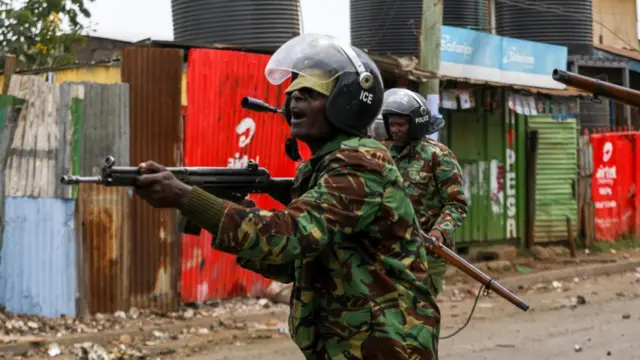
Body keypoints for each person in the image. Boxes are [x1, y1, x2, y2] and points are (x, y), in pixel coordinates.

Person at [132, 34, 440, 359]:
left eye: (309, 94)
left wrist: (186, 197)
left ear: (345, 103)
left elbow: (290, 237)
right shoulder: (324, 166)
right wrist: (224, 211)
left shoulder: (361, 164)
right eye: (293, 94)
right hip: (350, 344)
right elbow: (293, 263)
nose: (294, 102)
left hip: (388, 345)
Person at [381, 88, 468, 298]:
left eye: (401, 124)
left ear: (415, 125)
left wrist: (439, 231)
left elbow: (456, 204)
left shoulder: (438, 156)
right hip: (389, 250)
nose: (395, 130)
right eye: (392, 124)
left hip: (428, 251)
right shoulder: (381, 153)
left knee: (419, 313)